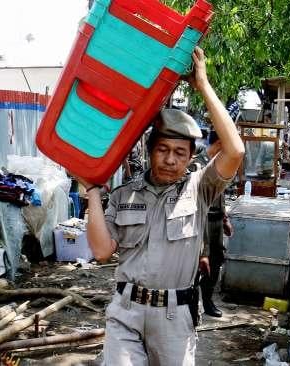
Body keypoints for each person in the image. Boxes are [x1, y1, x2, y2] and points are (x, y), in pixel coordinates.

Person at [76, 48, 244, 365]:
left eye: (180, 153)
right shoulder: (125, 194)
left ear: (190, 157)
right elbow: (101, 252)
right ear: (150, 151)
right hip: (126, 312)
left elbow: (234, 151)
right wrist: (93, 191)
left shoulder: (200, 189)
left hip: (174, 318)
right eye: (163, 149)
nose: (170, 159)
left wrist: (203, 85)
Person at [193, 130, 233, 318]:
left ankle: (207, 301)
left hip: (216, 221)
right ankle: (192, 302)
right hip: (201, 222)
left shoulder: (219, 165)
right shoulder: (196, 165)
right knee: (196, 263)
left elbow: (220, 193)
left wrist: (225, 219)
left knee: (216, 261)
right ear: (219, 144)